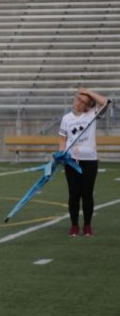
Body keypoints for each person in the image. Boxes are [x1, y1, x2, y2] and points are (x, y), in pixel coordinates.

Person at [58, 87, 109, 237]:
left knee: (87, 193)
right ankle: (74, 225)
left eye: (83, 102)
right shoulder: (67, 118)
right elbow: (62, 138)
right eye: (78, 99)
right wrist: (61, 153)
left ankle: (87, 226)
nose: (79, 103)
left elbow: (105, 102)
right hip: (72, 160)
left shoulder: (92, 114)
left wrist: (89, 92)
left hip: (90, 161)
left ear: (88, 105)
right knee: (74, 193)